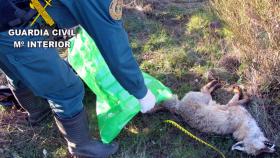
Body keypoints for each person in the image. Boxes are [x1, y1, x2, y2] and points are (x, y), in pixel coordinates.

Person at [0, 0, 156, 157]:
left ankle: (38, 111)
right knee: (67, 88)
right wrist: (141, 92)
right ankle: (81, 147)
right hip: (12, 28)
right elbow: (114, 44)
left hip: (8, 17)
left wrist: (64, 21)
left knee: (16, 67)